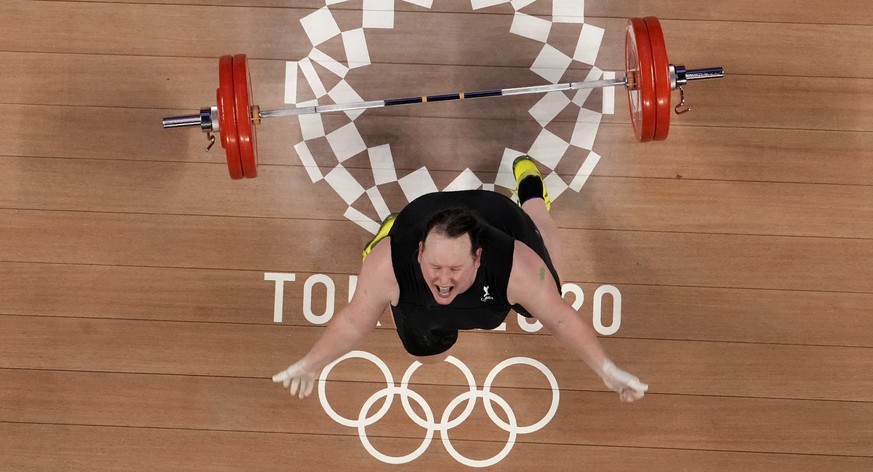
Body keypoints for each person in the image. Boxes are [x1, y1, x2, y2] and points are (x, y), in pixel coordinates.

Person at [273, 156, 648, 402]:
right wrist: (311, 363)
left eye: (455, 270)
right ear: (419, 252)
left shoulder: (513, 265)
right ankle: (386, 235)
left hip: (500, 217)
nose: (443, 281)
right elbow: (355, 320)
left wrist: (605, 369)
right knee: (432, 355)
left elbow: (561, 317)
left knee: (547, 290)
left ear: (478, 258)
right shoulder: (394, 265)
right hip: (413, 225)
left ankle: (532, 193)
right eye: (434, 267)